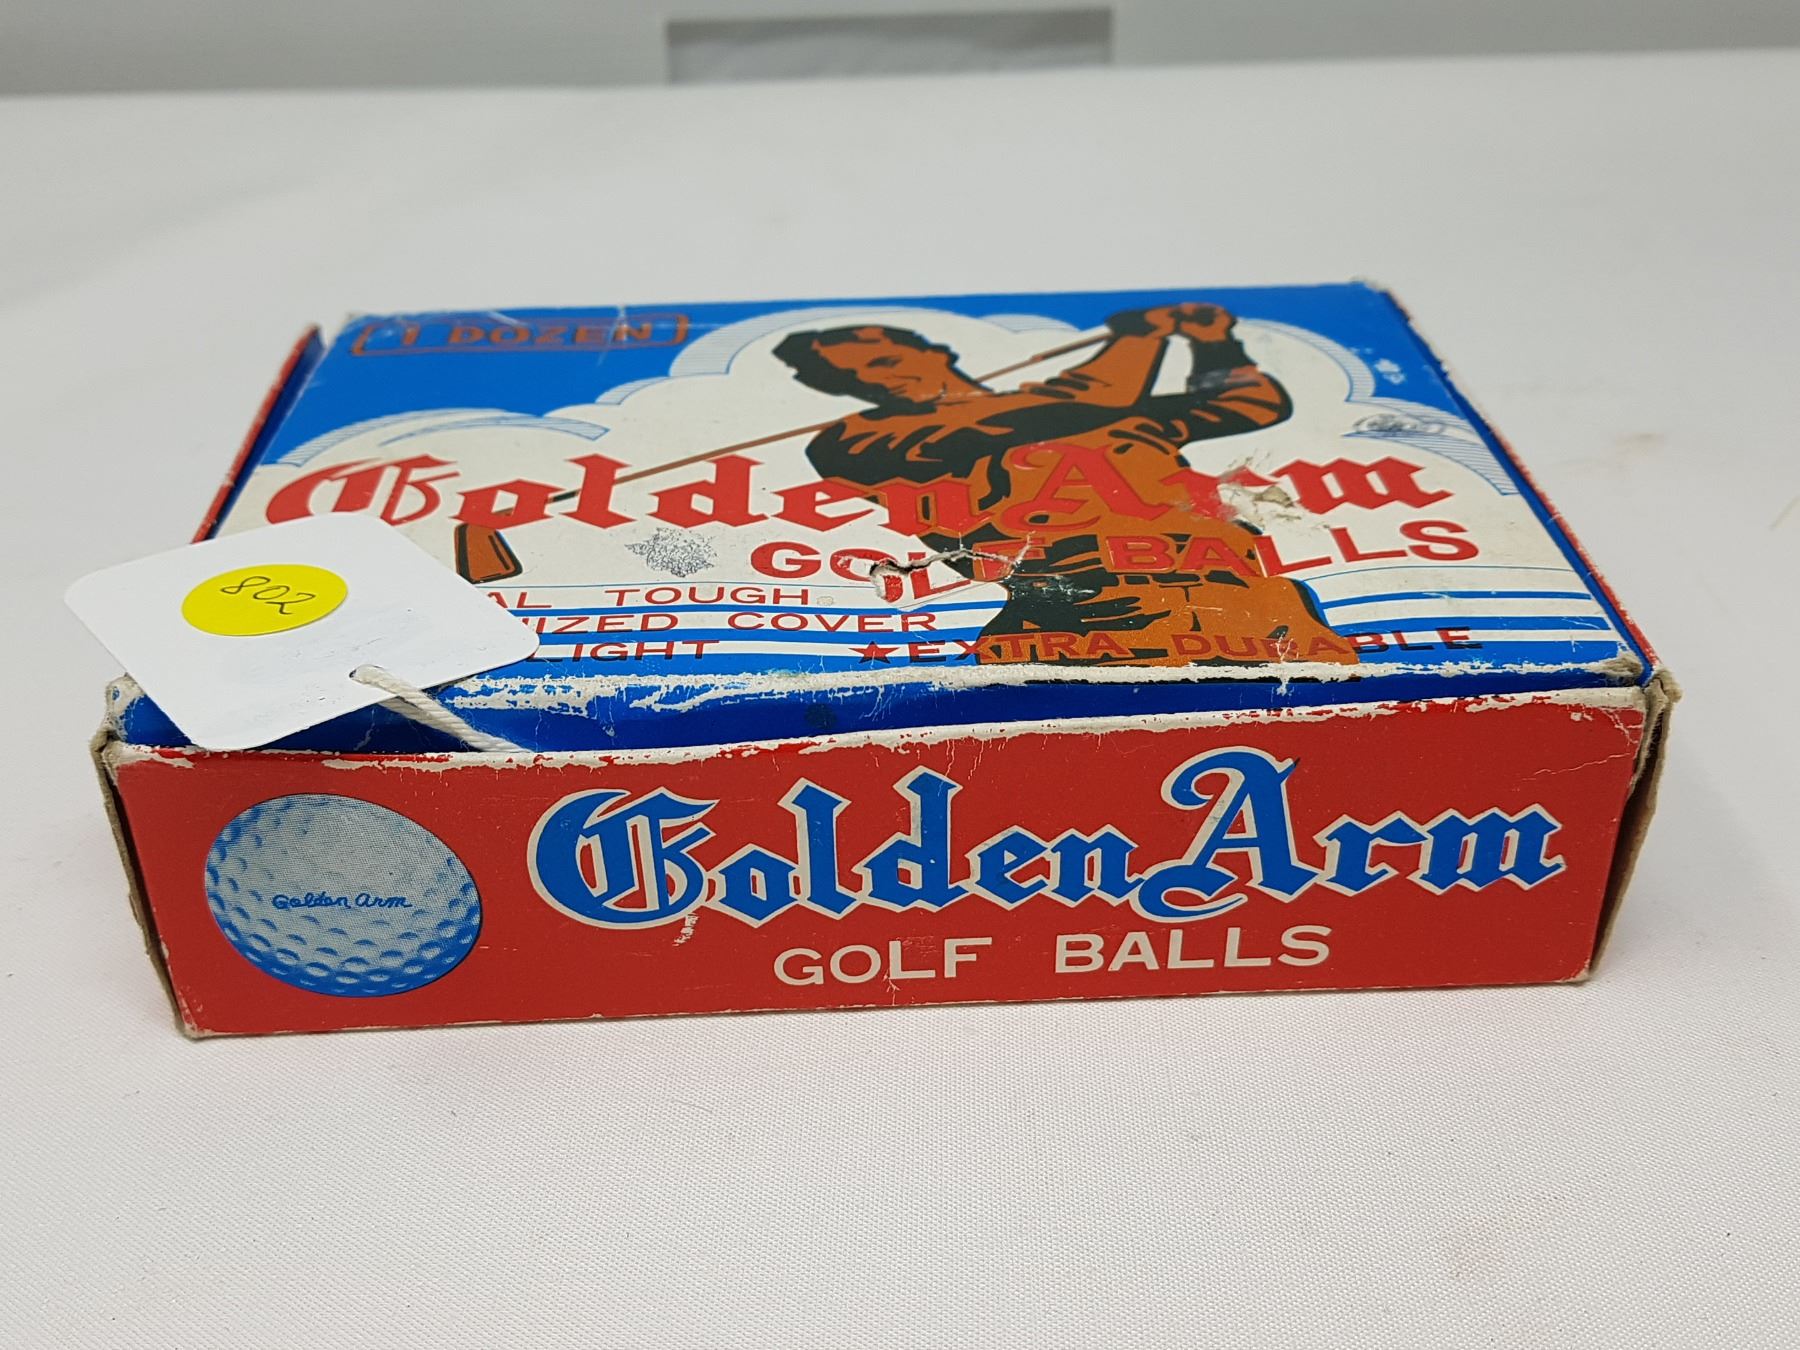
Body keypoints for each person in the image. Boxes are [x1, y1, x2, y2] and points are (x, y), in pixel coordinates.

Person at [773, 303, 1357, 667]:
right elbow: (1088, 396)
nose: (878, 377)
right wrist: (1140, 336)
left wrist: (1213, 341)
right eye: (852, 376)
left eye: (883, 359)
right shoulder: (860, 438)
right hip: (1068, 621)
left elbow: (1251, 403)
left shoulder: (1108, 408)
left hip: (1246, 607)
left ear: (935, 350)